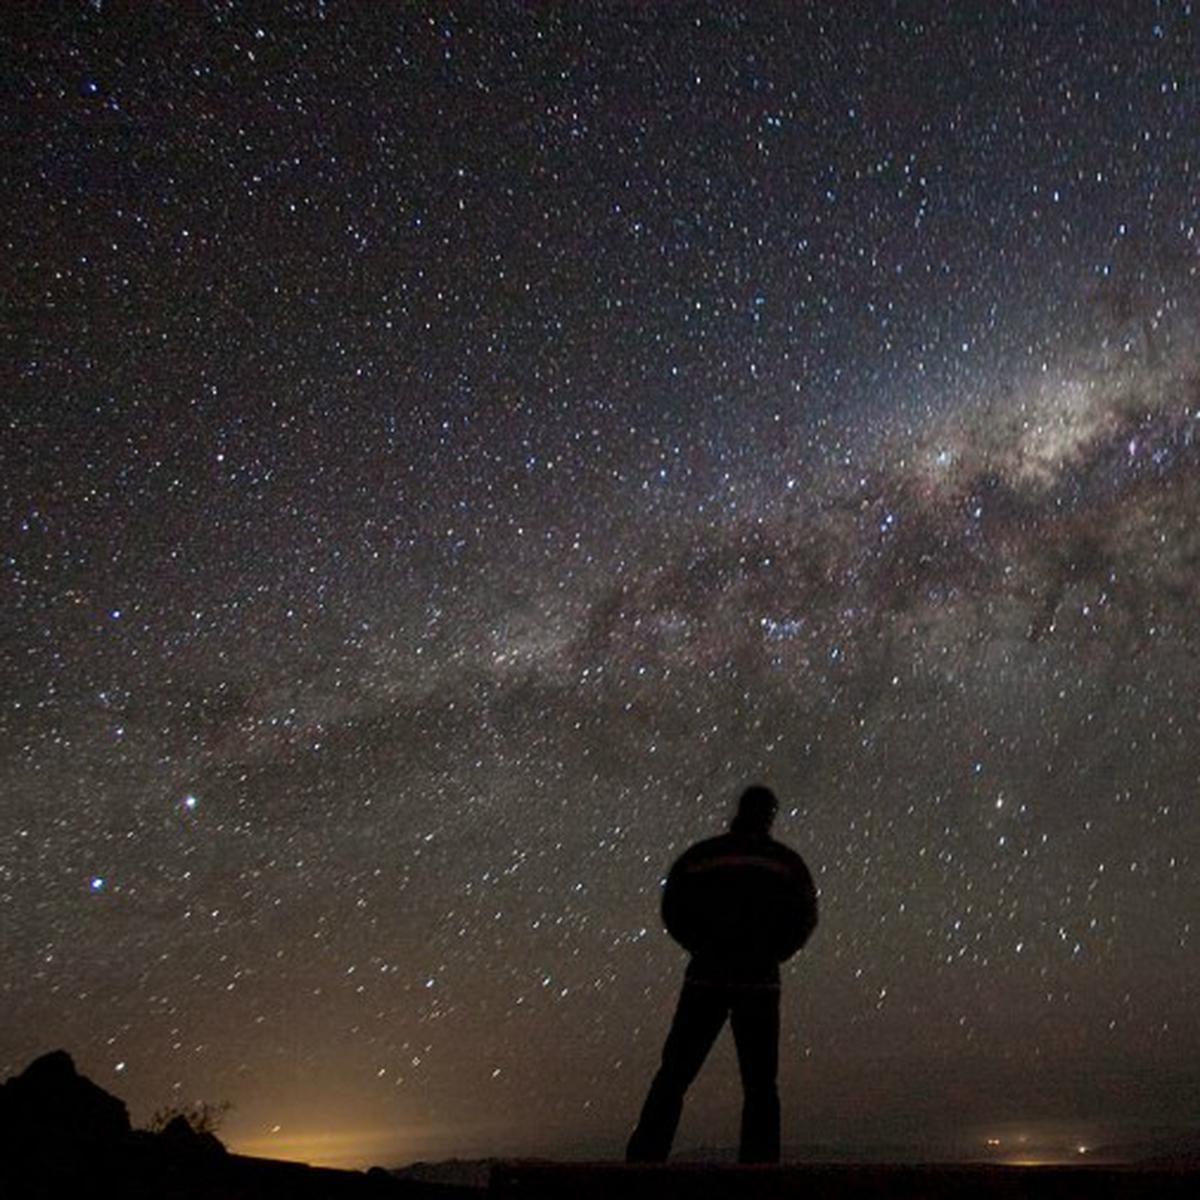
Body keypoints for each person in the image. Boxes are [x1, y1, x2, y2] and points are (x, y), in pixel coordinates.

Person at [626, 784, 817, 1164]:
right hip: (759, 982)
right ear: (769, 815)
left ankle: (644, 1162)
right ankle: (760, 1168)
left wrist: (701, 945)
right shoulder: (786, 863)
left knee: (674, 1074)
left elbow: (673, 906)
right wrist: (773, 953)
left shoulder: (703, 856)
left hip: (705, 978)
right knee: (760, 1084)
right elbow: (805, 917)